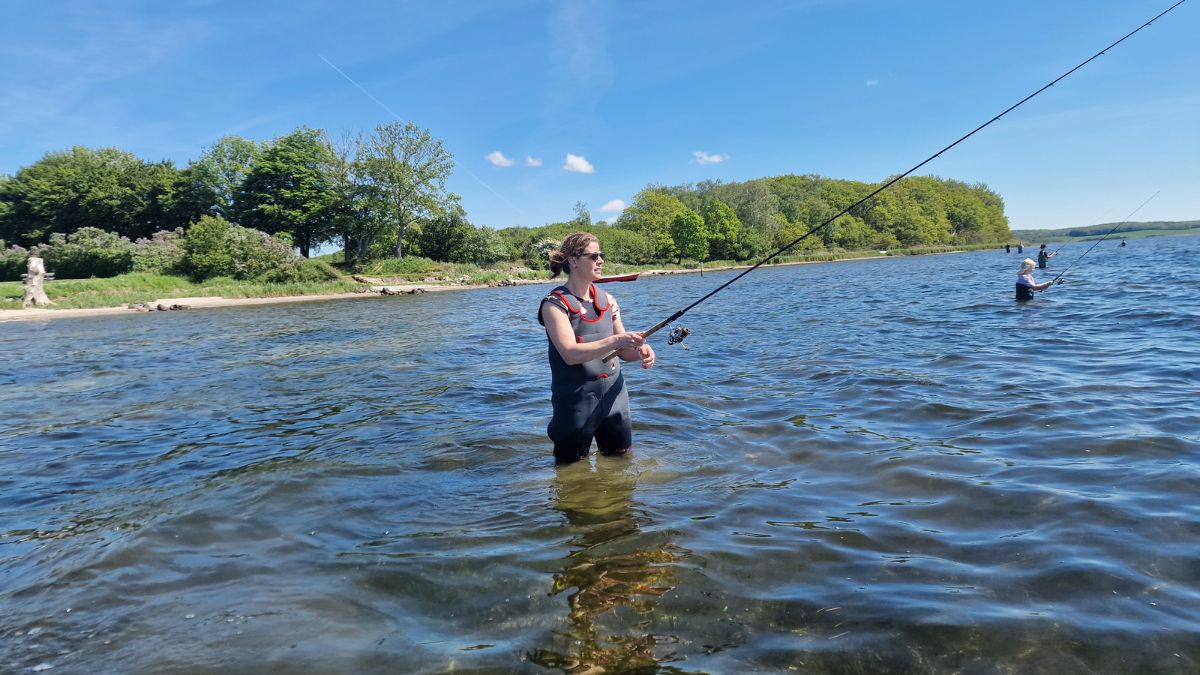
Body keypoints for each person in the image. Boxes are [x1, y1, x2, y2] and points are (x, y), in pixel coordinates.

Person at [539, 233, 656, 464]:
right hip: (575, 403)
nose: (601, 260)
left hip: (615, 398)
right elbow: (570, 354)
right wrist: (617, 340)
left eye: (601, 255)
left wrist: (640, 351)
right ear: (573, 261)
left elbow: (623, 351)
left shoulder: (608, 300)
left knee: (621, 465)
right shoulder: (554, 304)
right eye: (594, 256)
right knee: (570, 471)